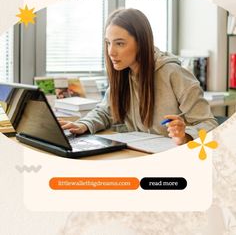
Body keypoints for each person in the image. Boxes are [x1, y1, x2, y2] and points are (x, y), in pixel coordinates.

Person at [59, 8, 218, 145]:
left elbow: (209, 123)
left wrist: (186, 135)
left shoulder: (173, 74)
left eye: (120, 43)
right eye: (108, 43)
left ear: (141, 43)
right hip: (136, 152)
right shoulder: (123, 73)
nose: (111, 52)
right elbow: (105, 112)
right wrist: (83, 125)